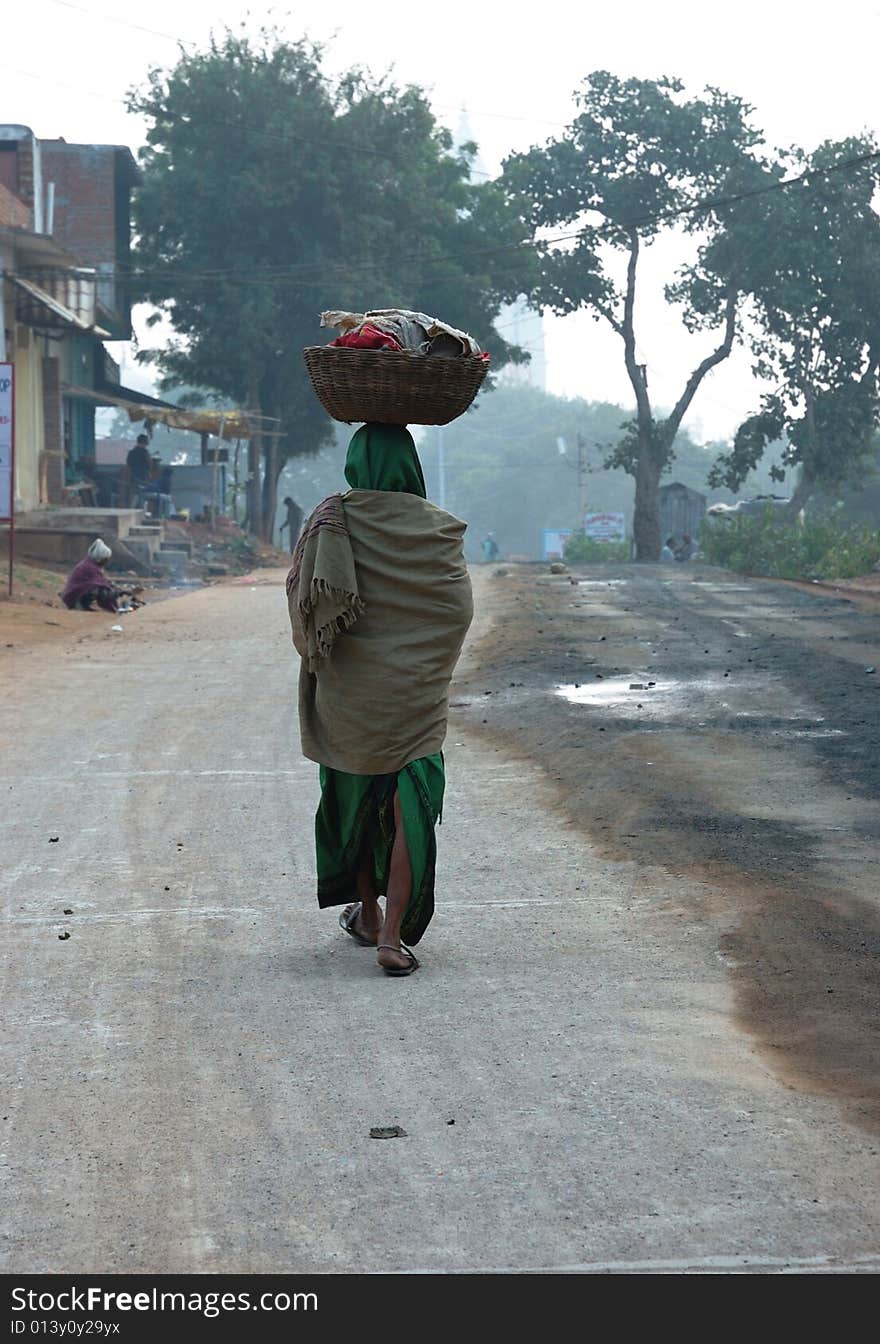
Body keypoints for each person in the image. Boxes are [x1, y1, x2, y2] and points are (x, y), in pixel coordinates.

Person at [287, 424, 473, 976]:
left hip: (351, 694)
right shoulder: (438, 528)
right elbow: (457, 610)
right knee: (408, 804)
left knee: (357, 797)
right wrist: (427, 663)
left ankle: (367, 911)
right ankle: (390, 937)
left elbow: (308, 604)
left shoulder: (334, 518)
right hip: (415, 695)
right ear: (410, 464)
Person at [60, 539, 121, 612]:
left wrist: (114, 587)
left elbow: (103, 580)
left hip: (72, 595)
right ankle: (78, 605)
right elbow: (102, 585)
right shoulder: (90, 567)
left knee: (104, 589)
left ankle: (83, 605)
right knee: (103, 591)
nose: (107, 561)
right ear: (100, 558)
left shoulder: (90, 564)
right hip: (72, 597)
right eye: (106, 559)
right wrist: (117, 593)